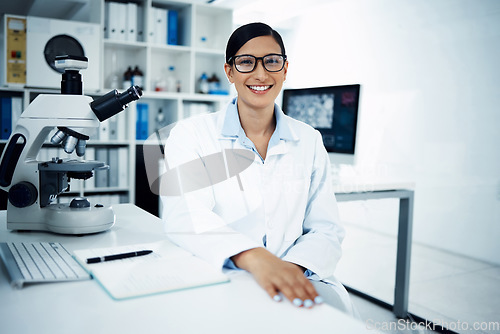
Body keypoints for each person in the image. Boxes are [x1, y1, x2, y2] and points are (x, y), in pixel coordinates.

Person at [159, 22, 356, 313]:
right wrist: (256, 259)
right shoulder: (191, 135)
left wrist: (285, 271)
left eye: (272, 62)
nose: (261, 74)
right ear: (229, 71)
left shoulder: (309, 140)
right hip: (224, 277)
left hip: (298, 275)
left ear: (285, 69)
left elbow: (325, 228)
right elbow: (186, 215)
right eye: (246, 62)